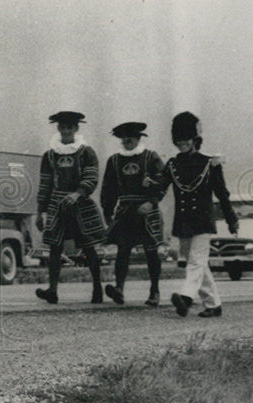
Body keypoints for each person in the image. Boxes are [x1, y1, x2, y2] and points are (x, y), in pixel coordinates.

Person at [155, 111, 237, 318]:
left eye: (186, 140)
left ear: (195, 140)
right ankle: (213, 304)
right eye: (179, 141)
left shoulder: (210, 164)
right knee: (198, 264)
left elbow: (223, 195)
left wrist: (231, 220)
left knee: (195, 262)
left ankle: (186, 297)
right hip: (183, 222)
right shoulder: (172, 164)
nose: (182, 144)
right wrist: (149, 194)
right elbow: (160, 189)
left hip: (203, 221)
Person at [35, 111, 107, 304]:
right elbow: (45, 184)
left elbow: (91, 177)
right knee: (54, 248)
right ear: (58, 128)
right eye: (62, 127)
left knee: (88, 247)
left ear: (76, 128)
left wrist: (77, 194)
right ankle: (52, 291)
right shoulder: (49, 155)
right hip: (57, 206)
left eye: (69, 127)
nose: (65, 130)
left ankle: (97, 289)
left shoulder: (86, 152)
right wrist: (40, 212)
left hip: (80, 204)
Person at [100, 122, 165, 306]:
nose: (127, 140)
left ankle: (155, 292)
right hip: (125, 210)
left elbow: (164, 180)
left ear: (139, 138)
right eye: (124, 137)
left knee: (151, 251)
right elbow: (108, 188)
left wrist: (152, 201)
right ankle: (119, 290)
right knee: (123, 250)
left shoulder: (151, 157)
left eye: (131, 136)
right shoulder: (114, 160)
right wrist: (107, 211)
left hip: (146, 210)